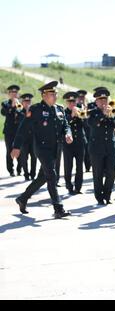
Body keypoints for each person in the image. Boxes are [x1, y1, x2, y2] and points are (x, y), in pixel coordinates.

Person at [11, 81, 73, 219]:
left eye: (56, 93)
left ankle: (23, 198)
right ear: (44, 95)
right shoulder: (36, 109)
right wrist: (16, 146)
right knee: (52, 175)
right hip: (42, 148)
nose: (55, 96)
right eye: (52, 94)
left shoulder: (60, 109)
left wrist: (68, 134)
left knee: (43, 177)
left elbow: (66, 125)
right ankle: (58, 208)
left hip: (55, 148)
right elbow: (23, 128)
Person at [88, 89, 115, 205]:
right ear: (96, 102)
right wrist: (103, 114)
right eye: (100, 100)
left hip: (110, 147)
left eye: (105, 99)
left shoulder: (112, 112)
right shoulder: (92, 112)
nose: (103, 102)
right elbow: (93, 124)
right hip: (96, 148)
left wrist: (111, 115)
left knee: (112, 172)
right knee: (98, 174)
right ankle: (99, 197)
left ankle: (107, 195)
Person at [62, 92, 86, 195]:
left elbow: (87, 125)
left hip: (80, 142)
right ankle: (69, 186)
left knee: (79, 166)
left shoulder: (81, 110)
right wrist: (71, 116)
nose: (72, 104)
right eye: (70, 101)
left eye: (73, 101)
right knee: (68, 166)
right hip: (68, 144)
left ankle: (78, 187)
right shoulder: (63, 112)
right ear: (66, 102)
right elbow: (63, 124)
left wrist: (82, 116)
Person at [1, 85, 23, 176]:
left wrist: (18, 107)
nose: (14, 94)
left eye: (15, 92)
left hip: (19, 132)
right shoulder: (5, 103)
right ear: (9, 94)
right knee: (9, 150)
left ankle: (19, 169)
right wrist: (11, 107)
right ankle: (11, 170)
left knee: (20, 150)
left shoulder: (21, 104)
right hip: (9, 132)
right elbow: (3, 113)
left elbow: (23, 114)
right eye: (12, 92)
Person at [16, 93, 37, 181]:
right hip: (24, 139)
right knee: (24, 157)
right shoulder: (20, 112)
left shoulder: (35, 112)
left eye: (29, 101)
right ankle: (26, 174)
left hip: (33, 138)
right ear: (22, 102)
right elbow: (21, 123)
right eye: (25, 101)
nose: (27, 103)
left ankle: (32, 174)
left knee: (34, 157)